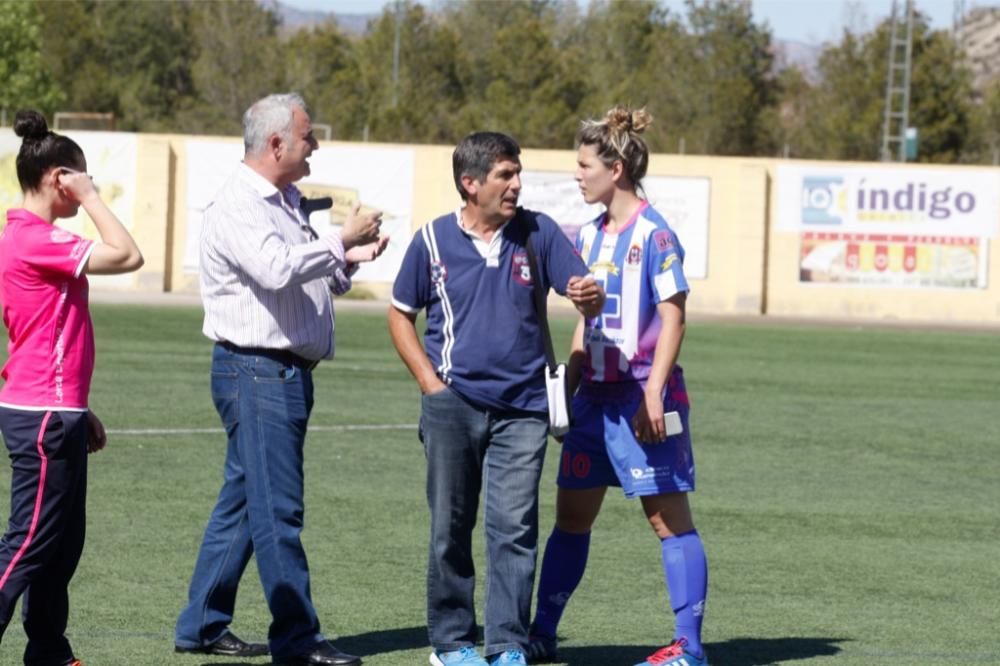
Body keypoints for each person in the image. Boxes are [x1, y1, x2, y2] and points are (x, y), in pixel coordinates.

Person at [174, 93, 386, 666]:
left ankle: (200, 624)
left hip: (274, 373)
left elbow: (308, 279)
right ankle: (297, 639)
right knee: (278, 512)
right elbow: (275, 268)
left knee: (245, 504)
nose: (315, 145)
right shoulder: (239, 204)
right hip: (258, 372)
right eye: (308, 136)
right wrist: (339, 238)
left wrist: (350, 256)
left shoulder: (284, 200)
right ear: (276, 144)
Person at [388, 131, 605, 666]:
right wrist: (430, 386)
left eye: (517, 173)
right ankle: (452, 643)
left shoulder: (539, 232)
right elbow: (399, 313)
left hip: (525, 412)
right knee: (450, 529)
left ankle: (508, 644)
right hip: (452, 405)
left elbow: (586, 291)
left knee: (514, 529)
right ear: (471, 183)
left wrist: (589, 294)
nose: (516, 184)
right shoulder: (432, 241)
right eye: (505, 175)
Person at [526, 107, 710, 666]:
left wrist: (654, 391)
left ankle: (690, 649)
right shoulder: (588, 234)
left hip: (639, 400)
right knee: (572, 519)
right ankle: (542, 634)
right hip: (593, 405)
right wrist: (569, 383)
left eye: (585, 165)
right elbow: (587, 319)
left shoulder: (655, 234)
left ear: (619, 167)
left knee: (667, 521)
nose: (577, 175)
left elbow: (675, 316)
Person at [0, 109, 144, 666]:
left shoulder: (33, 240)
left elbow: (46, 334)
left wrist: (79, 408)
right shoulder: (34, 239)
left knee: (59, 545)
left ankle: (48, 651)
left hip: (55, 409)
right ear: (59, 179)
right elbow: (128, 254)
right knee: (29, 541)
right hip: (40, 415)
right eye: (80, 178)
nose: (89, 189)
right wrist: (90, 198)